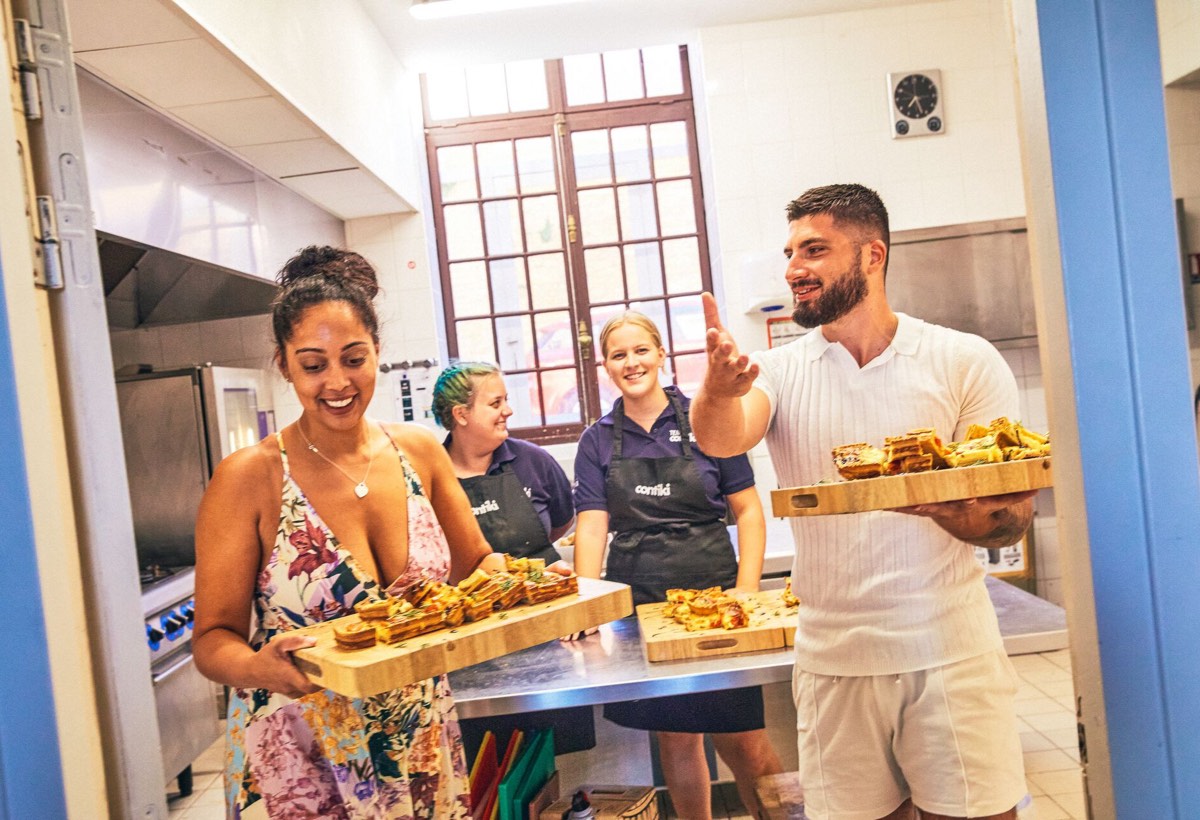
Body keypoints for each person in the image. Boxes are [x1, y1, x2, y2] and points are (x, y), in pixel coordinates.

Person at [690, 183, 1035, 820]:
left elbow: (1011, 516)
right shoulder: (781, 370)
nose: (794, 268)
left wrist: (951, 510)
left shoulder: (962, 361)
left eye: (814, 250)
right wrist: (714, 391)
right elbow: (721, 436)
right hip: (834, 665)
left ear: (871, 256)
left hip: (950, 652)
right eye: (790, 251)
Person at [193, 246, 508, 819]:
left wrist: (533, 584)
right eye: (313, 365)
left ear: (377, 354)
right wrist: (258, 665)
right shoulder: (250, 478)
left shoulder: (418, 454)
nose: (336, 382)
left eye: (353, 359)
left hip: (418, 740)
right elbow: (212, 639)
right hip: (300, 755)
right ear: (284, 364)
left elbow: (477, 566)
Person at [571, 310, 784, 820]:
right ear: (606, 367)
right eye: (618, 355)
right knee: (677, 739)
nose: (632, 362)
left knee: (746, 743)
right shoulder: (596, 440)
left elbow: (750, 510)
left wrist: (747, 592)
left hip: (715, 601)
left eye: (640, 350)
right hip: (642, 605)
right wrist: (585, 606)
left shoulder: (706, 417)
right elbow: (593, 527)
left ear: (661, 354)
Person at [431, 361, 575, 564]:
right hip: (472, 594)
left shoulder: (534, 461)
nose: (508, 411)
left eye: (505, 400)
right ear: (461, 414)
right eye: (495, 404)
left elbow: (563, 521)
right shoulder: (431, 476)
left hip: (546, 589)